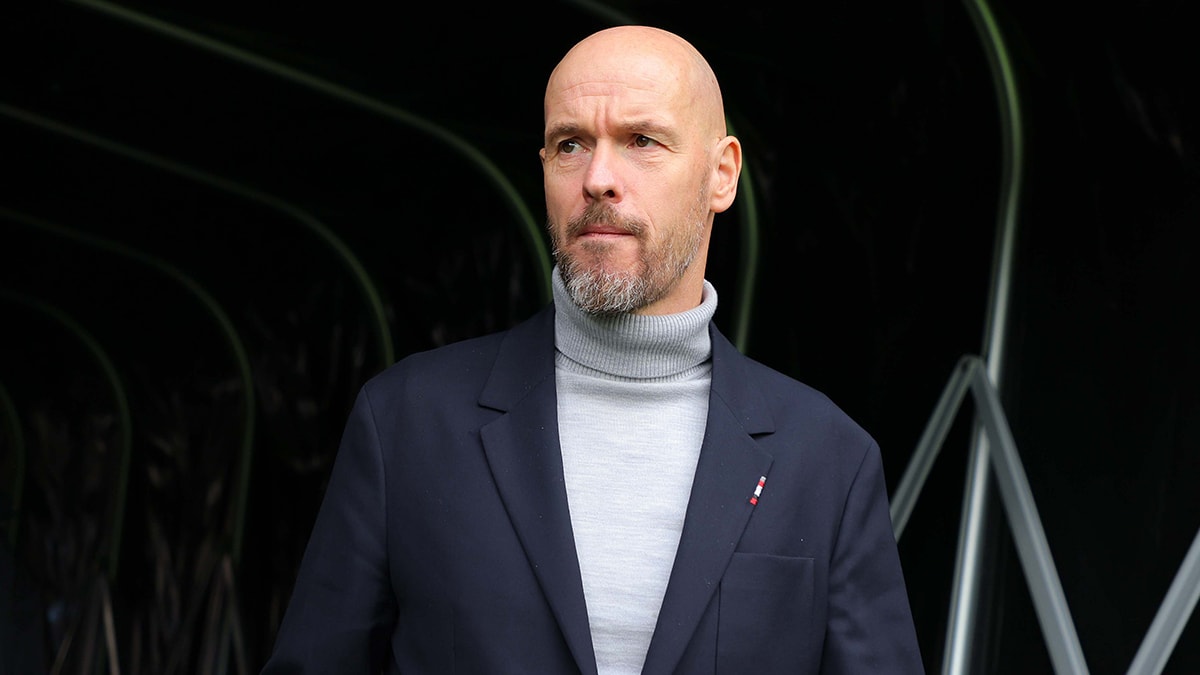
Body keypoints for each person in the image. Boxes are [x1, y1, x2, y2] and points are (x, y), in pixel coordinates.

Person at [262, 25, 923, 674]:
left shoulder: (828, 459)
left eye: (642, 140)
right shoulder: (406, 421)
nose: (598, 177)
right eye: (571, 144)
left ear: (722, 175)